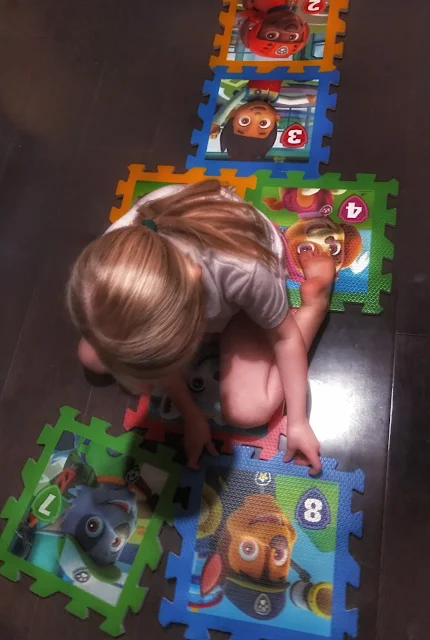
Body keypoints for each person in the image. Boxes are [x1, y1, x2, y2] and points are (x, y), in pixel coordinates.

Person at [67, 180, 335, 474]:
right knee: (91, 355)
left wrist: (297, 420)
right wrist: (191, 415)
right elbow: (152, 353)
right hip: (187, 289)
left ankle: (314, 305)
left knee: (248, 410)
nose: (145, 391)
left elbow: (285, 339)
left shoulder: (246, 271)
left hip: (241, 296)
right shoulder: (112, 256)